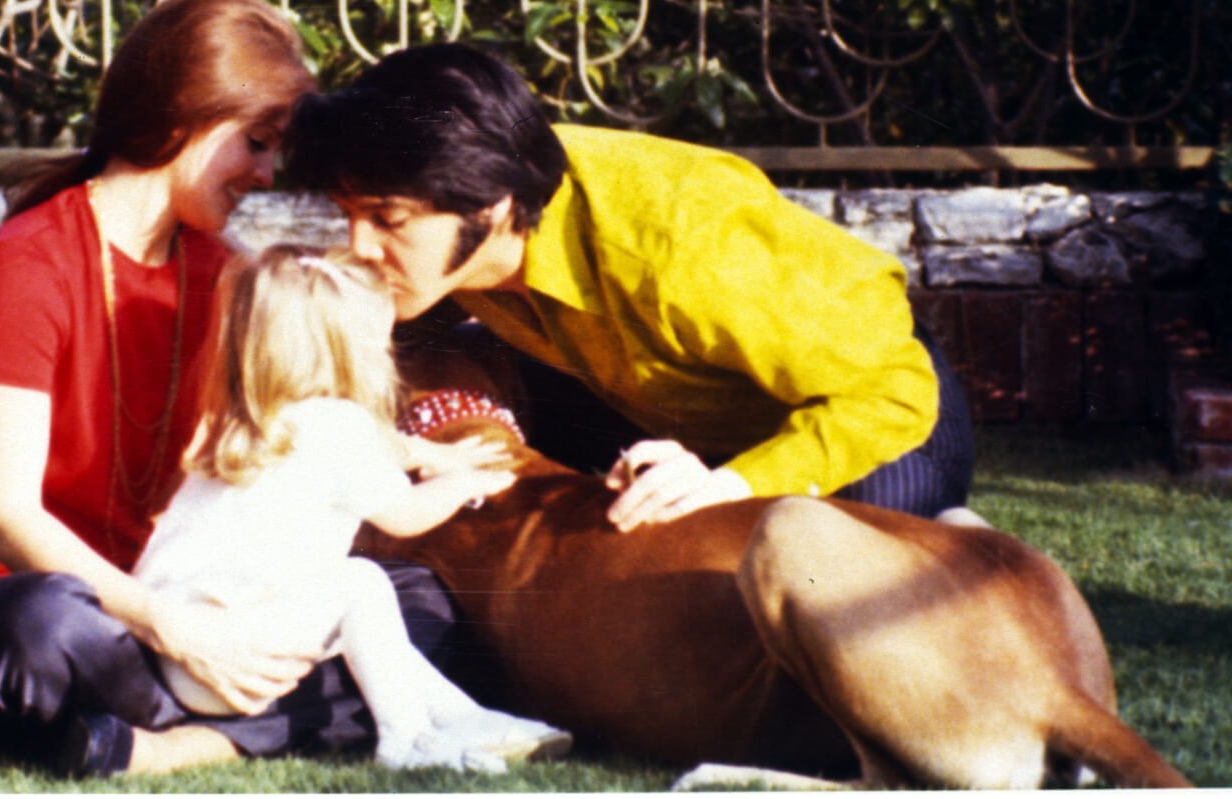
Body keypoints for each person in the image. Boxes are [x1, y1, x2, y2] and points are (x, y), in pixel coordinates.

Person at [0, 0, 464, 777]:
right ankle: (247, 724)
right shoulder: (28, 266)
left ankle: (165, 744)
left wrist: (428, 454)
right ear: (186, 115)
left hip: (161, 624)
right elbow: (4, 518)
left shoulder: (221, 271)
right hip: (12, 615)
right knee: (40, 627)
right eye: (255, 143)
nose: (266, 173)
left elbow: (299, 422)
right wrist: (173, 629)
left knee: (411, 604)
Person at [280, 43, 975, 531]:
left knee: (840, 554)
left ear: (487, 209)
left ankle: (960, 539)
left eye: (386, 219)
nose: (359, 248)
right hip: (651, 400)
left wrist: (730, 486)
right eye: (349, 217)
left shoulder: (681, 239)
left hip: (872, 398)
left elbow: (890, 390)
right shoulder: (453, 233)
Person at [133, 244, 571, 772]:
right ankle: (404, 741)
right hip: (240, 662)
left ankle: (468, 718)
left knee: (367, 625)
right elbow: (405, 514)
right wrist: (463, 482)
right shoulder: (342, 426)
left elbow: (386, 449)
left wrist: (434, 452)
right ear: (347, 352)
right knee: (360, 586)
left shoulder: (250, 422)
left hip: (176, 651)